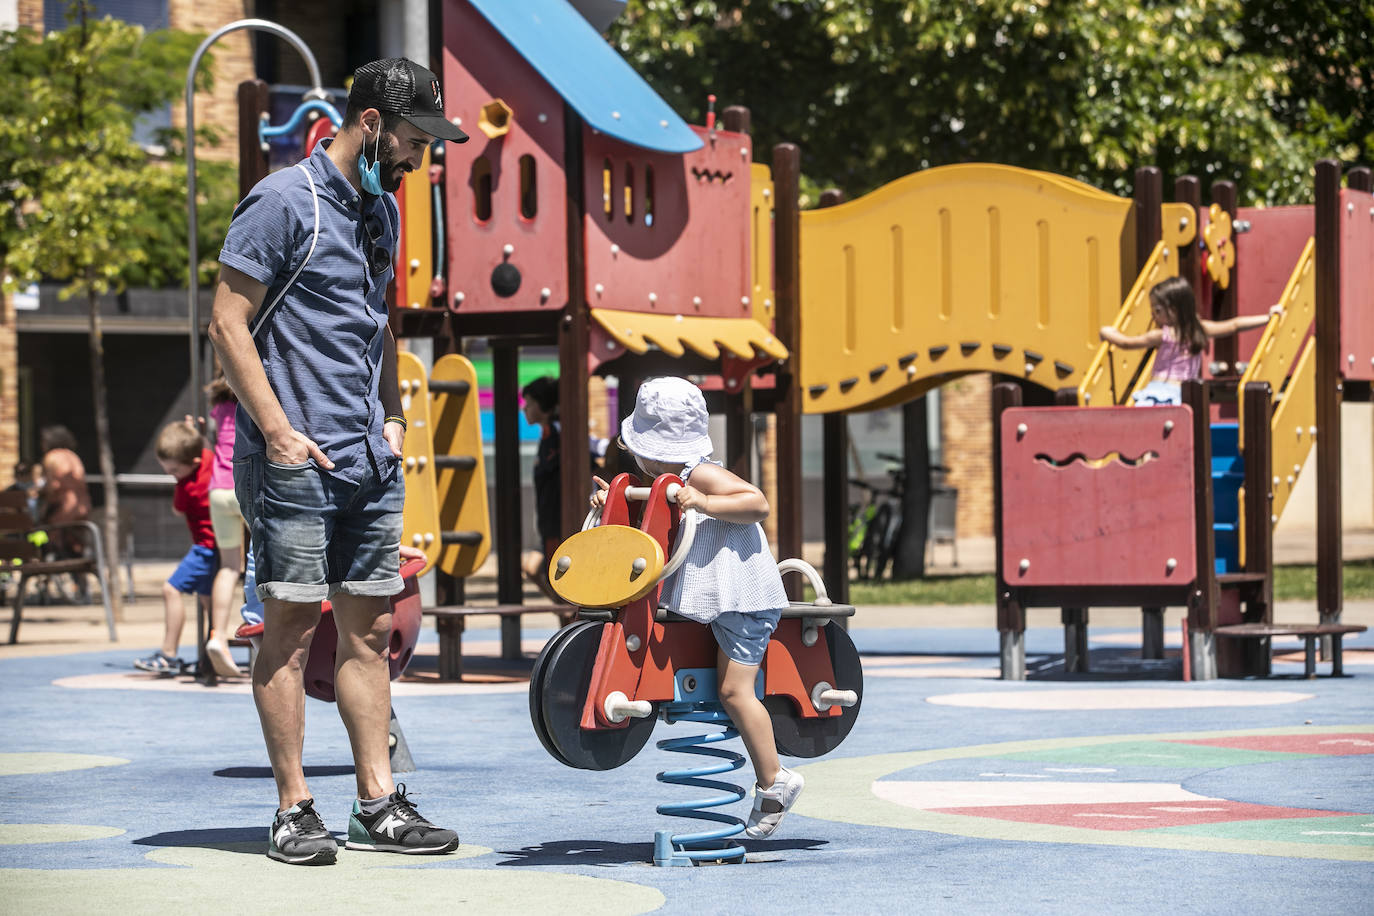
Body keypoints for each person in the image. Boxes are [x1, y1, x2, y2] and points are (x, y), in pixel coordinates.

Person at [208, 57, 466, 866]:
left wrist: (391, 416)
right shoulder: (283, 201)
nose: (422, 155)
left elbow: (376, 324)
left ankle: (377, 803)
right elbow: (226, 322)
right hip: (293, 462)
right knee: (286, 630)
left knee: (373, 631)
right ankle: (294, 807)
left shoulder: (381, 210)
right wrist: (279, 434)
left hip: (365, 459)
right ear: (372, 124)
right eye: (416, 137)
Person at [590, 376, 803, 839]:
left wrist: (704, 500)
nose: (632, 455)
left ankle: (775, 780)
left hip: (743, 600)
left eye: (636, 446)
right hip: (713, 602)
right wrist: (614, 502)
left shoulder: (699, 476)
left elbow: (757, 502)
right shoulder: (665, 483)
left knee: (734, 693)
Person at [1099, 276, 1280, 405]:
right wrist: (1267, 318)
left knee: (1149, 437)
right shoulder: (1198, 330)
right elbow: (1234, 325)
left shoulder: (1162, 335)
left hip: (1159, 391)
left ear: (1174, 310)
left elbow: (1127, 343)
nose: (1153, 316)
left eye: (1157, 310)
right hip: (1184, 396)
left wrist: (1108, 333)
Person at [135, 420, 218, 675]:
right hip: (219, 545)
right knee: (209, 603)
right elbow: (204, 448)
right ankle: (211, 655)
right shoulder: (209, 461)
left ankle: (168, 653)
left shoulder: (188, 488)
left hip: (205, 548)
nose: (173, 476)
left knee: (170, 589)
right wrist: (197, 434)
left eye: (174, 471)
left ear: (191, 464)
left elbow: (176, 510)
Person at [203, 376, 245, 677]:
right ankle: (261, 629)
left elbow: (212, 439)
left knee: (229, 566)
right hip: (244, 487)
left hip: (217, 490)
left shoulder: (218, 408)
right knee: (261, 557)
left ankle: (217, 634)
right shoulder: (252, 399)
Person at [519, 376, 565, 607]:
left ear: (543, 405)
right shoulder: (547, 434)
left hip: (558, 521)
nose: (524, 408)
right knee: (532, 569)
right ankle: (563, 612)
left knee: (555, 576)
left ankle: (567, 617)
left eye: (529, 402)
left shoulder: (558, 435)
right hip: (547, 521)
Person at [39, 425, 92, 603]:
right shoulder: (73, 456)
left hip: (64, 509)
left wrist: (40, 497)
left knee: (51, 541)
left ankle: (45, 587)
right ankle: (82, 587)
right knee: (76, 547)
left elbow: (52, 487)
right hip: (82, 507)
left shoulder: (52, 457)